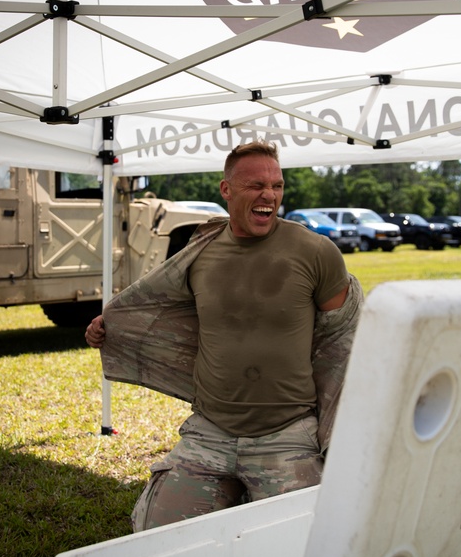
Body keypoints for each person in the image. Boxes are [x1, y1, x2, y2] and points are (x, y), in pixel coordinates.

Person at [85, 141, 362, 531]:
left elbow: (342, 339)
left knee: (306, 541)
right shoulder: (199, 253)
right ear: (226, 190)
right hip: (210, 432)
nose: (269, 195)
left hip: (285, 435)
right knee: (154, 533)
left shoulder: (316, 252)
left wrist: (334, 429)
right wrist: (107, 327)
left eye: (277, 186)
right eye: (256, 186)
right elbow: (152, 308)